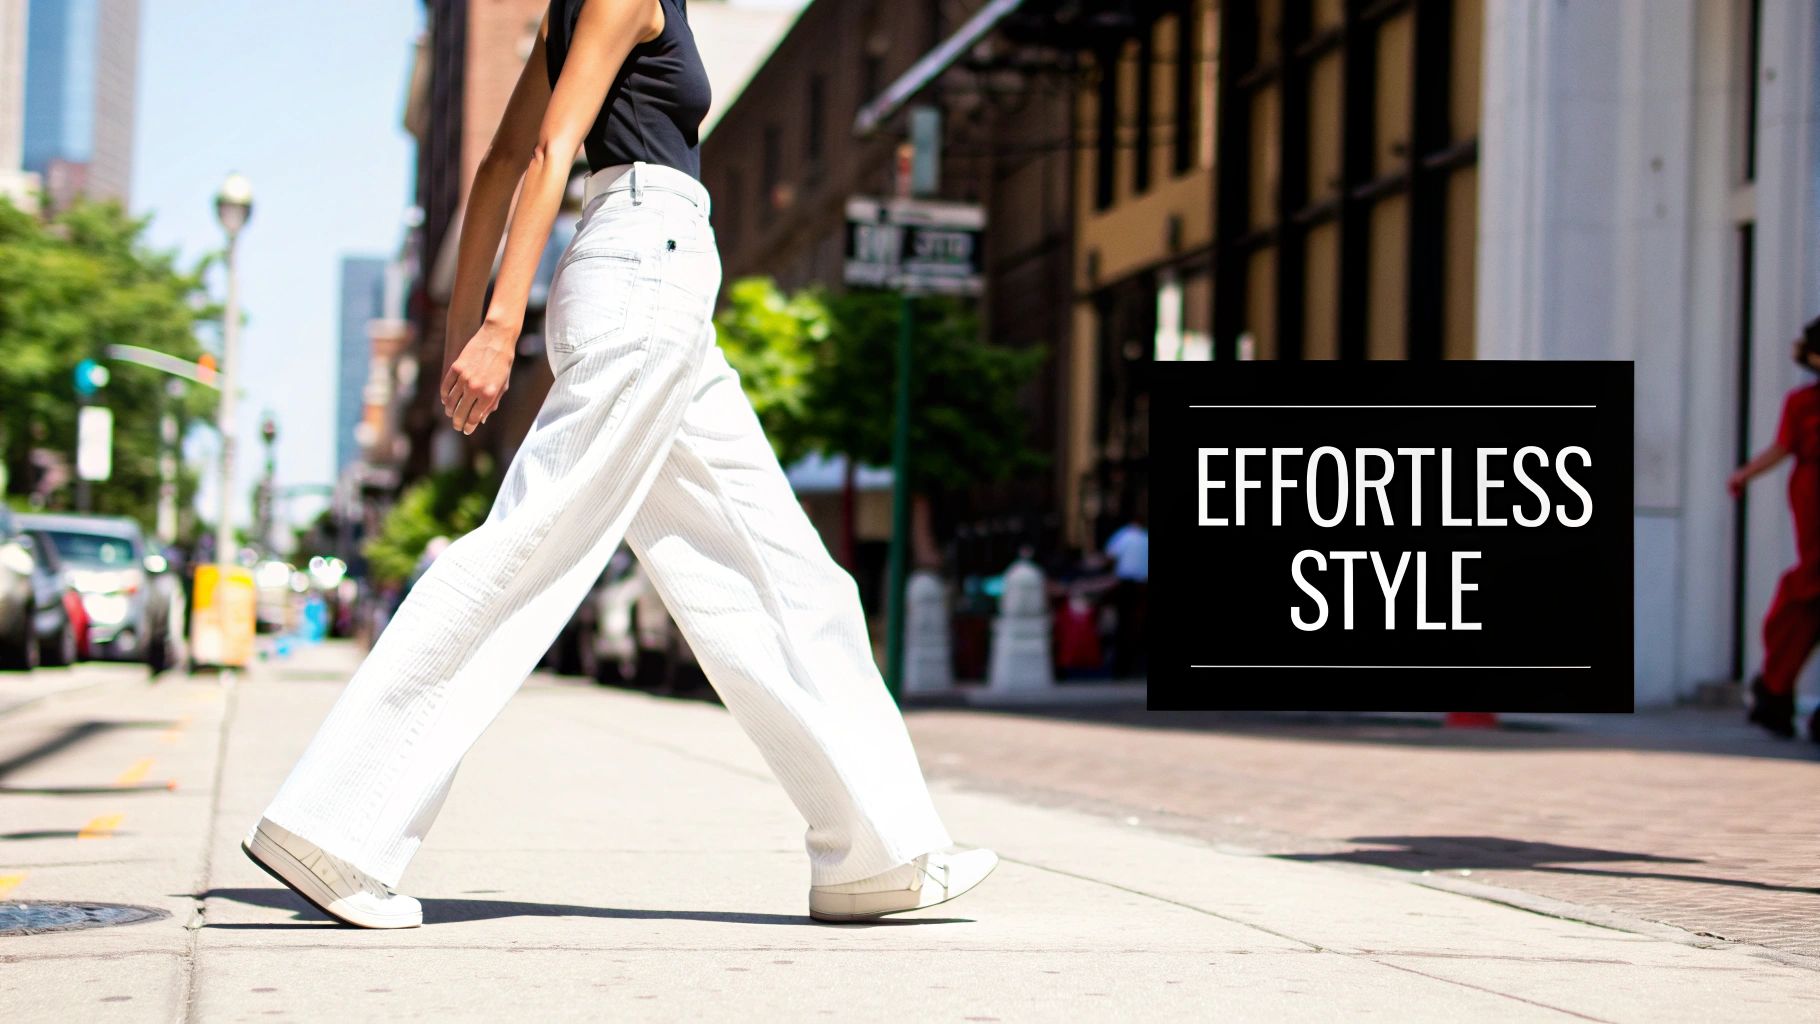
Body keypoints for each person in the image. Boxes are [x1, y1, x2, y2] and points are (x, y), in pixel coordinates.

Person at [240, 0, 995, 929]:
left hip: (656, 285)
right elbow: (546, 156)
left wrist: (462, 336)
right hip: (645, 266)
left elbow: (494, 168)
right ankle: (336, 828)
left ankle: (875, 853)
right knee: (527, 549)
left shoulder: (578, 10)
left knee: (785, 572)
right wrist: (494, 325)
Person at [1729, 315, 1820, 741]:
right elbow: (1783, 447)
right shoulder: (1802, 403)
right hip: (1814, 496)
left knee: (1806, 598)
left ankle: (1775, 690)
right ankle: (1775, 691)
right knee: (1809, 585)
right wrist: (1745, 473)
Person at [1103, 512, 1149, 677]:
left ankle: (1123, 663)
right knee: (1138, 622)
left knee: (1124, 622)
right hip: (1143, 585)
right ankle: (1136, 661)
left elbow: (1109, 556)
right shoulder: (1145, 537)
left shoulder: (1123, 536)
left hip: (1126, 584)